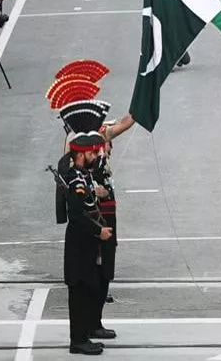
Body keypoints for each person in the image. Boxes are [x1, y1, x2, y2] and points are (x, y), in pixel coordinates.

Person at [60, 113, 114, 355]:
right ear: (81, 155)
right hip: (79, 246)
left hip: (85, 247)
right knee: (79, 294)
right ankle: (78, 340)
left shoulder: (84, 177)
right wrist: (98, 231)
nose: (95, 156)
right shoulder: (76, 182)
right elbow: (77, 215)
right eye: (92, 153)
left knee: (87, 290)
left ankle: (84, 336)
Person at [91, 115, 135, 325]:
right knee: (98, 267)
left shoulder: (99, 152)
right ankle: (93, 321)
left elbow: (124, 123)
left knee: (105, 266)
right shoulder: (90, 151)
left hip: (107, 218)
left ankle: (96, 320)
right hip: (97, 221)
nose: (110, 148)